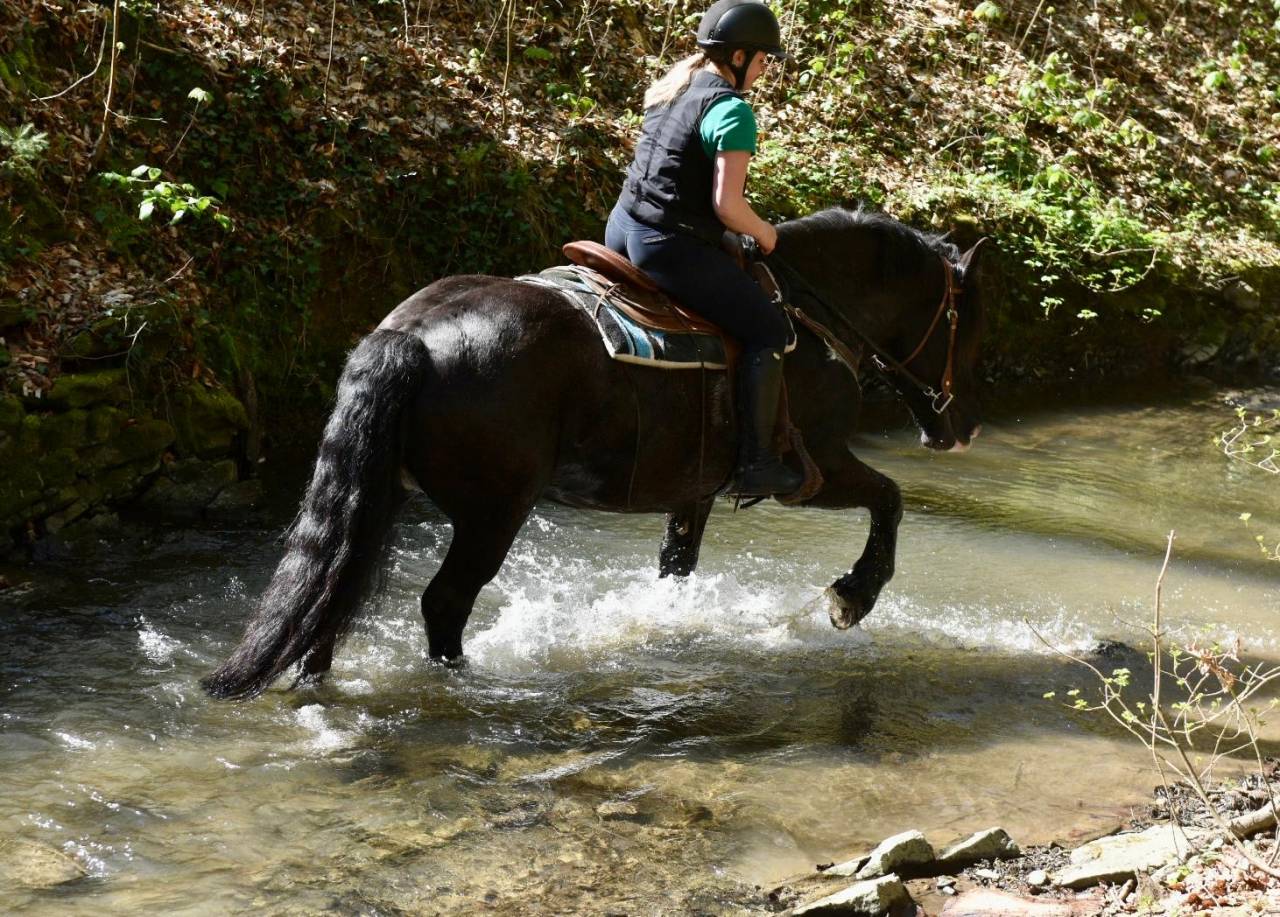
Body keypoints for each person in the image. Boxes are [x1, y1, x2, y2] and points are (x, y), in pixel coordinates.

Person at [605, 0, 803, 498]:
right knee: (766, 330)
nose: (764, 69)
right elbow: (728, 207)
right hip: (666, 245)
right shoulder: (731, 111)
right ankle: (758, 463)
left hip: (622, 228)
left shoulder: (675, 86)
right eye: (762, 59)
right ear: (738, 57)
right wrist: (766, 233)